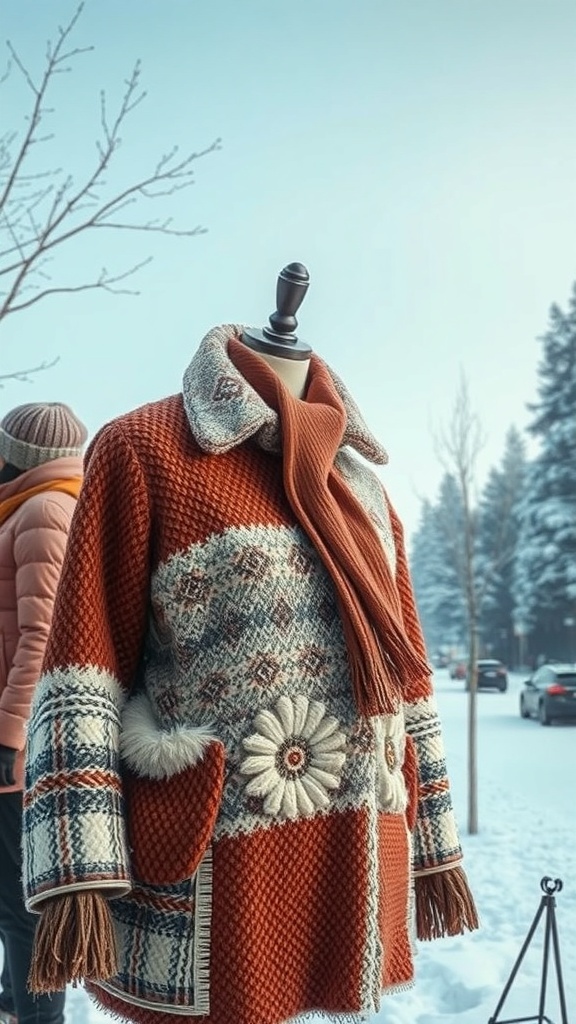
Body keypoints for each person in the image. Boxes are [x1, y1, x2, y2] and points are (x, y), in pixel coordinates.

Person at [23, 324, 477, 1024]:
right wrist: (77, 870)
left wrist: (435, 848)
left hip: (357, 848)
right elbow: (82, 668)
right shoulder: (146, 450)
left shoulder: (362, 487)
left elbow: (408, 679)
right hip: (218, 865)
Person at [0, 403, 87, 1024]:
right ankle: (16, 998)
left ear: (20, 456)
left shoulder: (44, 511)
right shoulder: (26, 508)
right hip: (15, 737)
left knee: (19, 897)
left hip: (21, 747)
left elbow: (43, 638)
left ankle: (39, 1016)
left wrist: (9, 736)